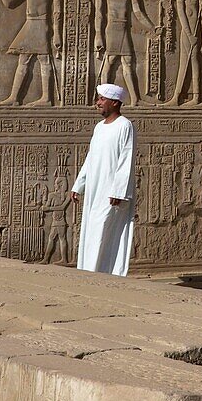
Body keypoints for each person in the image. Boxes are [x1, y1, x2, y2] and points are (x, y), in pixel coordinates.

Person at [71, 83, 136, 276]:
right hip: (94, 189)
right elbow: (91, 158)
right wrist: (79, 185)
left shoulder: (125, 126)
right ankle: (89, 273)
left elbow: (127, 158)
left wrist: (118, 191)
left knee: (105, 231)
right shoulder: (99, 127)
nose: (98, 103)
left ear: (115, 102)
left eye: (101, 99)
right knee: (91, 231)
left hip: (112, 192)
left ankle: (104, 274)